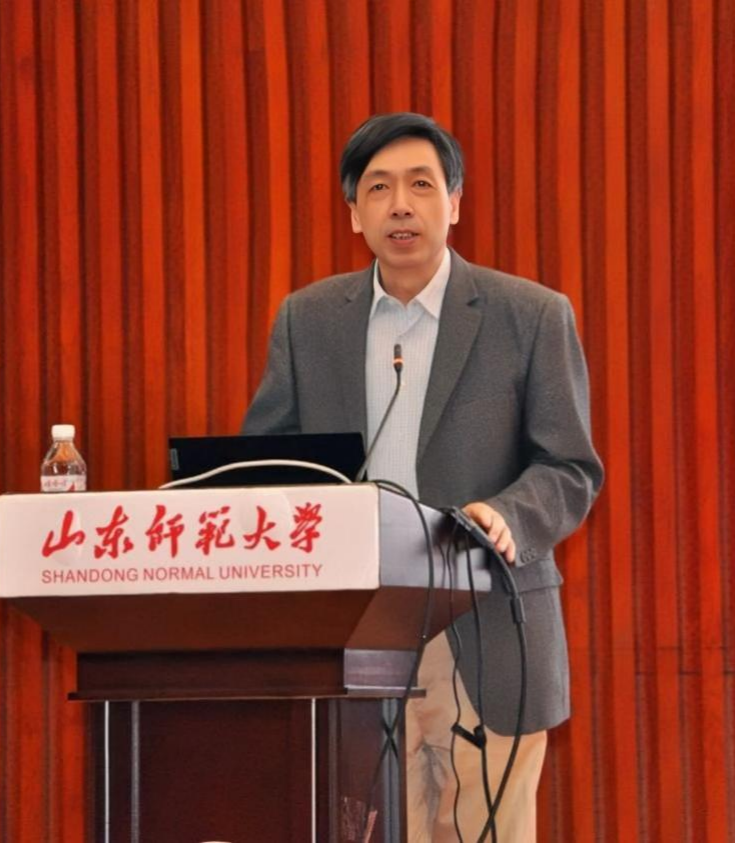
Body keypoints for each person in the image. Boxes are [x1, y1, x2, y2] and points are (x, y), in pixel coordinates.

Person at [242, 112, 603, 843]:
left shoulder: (530, 315)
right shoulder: (308, 321)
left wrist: (510, 515)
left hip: (491, 624)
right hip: (359, 635)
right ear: (355, 213)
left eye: (420, 185)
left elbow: (570, 468)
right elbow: (266, 466)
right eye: (378, 188)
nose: (400, 204)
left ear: (455, 202)